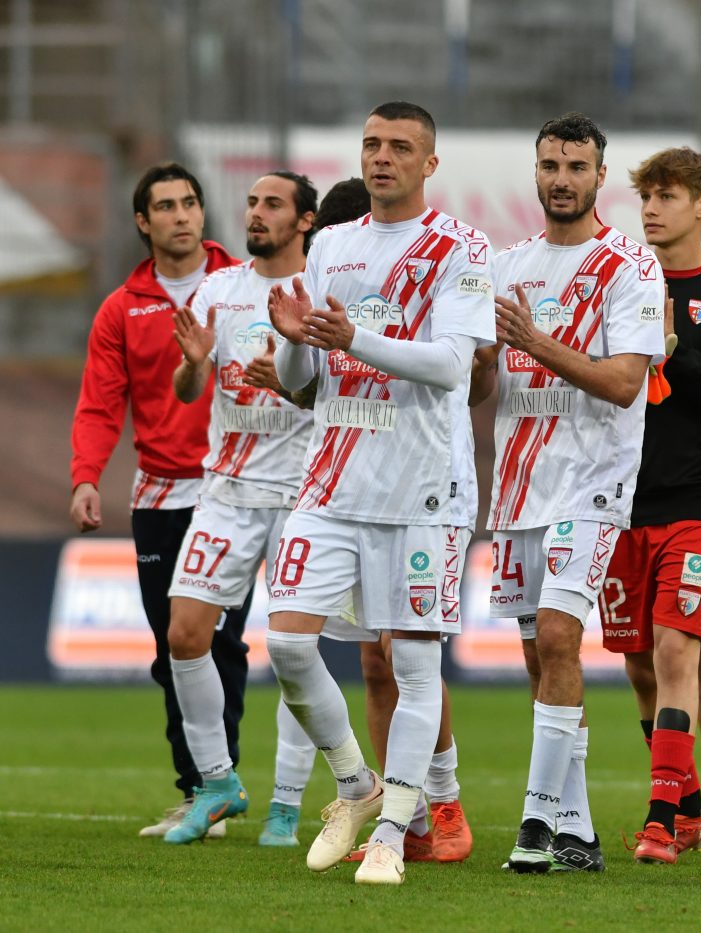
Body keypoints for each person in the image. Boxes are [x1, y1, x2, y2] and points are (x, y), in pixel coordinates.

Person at [265, 100, 496, 886]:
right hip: (333, 479)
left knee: (415, 669)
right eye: (371, 144)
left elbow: (453, 366)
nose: (382, 156)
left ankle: (397, 829)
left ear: (430, 163)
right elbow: (305, 384)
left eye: (400, 146)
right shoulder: (330, 243)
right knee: (290, 642)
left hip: (424, 491)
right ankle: (357, 786)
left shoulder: (460, 248)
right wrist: (298, 347)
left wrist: (351, 337)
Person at [472, 111, 665, 873]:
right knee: (536, 657)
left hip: (592, 481)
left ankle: (532, 823)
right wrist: (484, 364)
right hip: (519, 482)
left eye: (576, 166)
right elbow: (485, 382)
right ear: (537, 172)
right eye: (550, 165)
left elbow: (625, 383)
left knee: (559, 637)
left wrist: (535, 343)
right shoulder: (507, 264)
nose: (561, 179)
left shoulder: (629, 267)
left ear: (599, 176)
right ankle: (577, 828)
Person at [69, 162, 247, 837]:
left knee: (220, 643)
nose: (181, 215)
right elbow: (99, 403)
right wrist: (86, 475)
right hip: (159, 496)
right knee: (173, 649)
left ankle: (222, 784)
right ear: (143, 222)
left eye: (190, 203)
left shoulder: (241, 287)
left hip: (235, 491)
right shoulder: (122, 307)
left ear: (203, 212)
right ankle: (201, 785)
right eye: (165, 206)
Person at [161, 170, 320, 846]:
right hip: (225, 488)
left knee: (293, 652)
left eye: (273, 204)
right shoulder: (220, 291)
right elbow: (190, 387)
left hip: (303, 496)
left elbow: (333, 397)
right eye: (253, 203)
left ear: (305, 220)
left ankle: (286, 805)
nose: (256, 214)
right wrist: (195, 362)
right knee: (184, 635)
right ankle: (219, 782)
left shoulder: (321, 292)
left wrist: (286, 380)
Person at [603, 146, 701, 864]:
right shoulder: (618, 281)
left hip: (699, 496)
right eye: (646, 195)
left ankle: (660, 817)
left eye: (667, 195)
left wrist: (670, 350)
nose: (652, 208)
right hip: (620, 495)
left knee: (674, 648)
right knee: (636, 661)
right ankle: (690, 805)